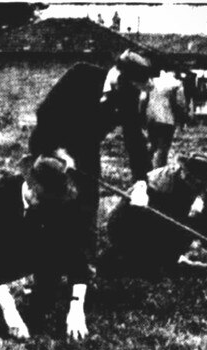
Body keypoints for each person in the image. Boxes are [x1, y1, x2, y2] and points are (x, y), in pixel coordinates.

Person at [29, 49, 158, 272]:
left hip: (86, 150)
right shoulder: (81, 75)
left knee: (88, 203)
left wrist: (141, 182)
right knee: (52, 204)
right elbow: (46, 113)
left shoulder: (128, 94)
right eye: (130, 86)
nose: (132, 93)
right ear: (119, 76)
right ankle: (44, 265)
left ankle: (83, 267)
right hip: (51, 144)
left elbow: (134, 139)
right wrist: (59, 152)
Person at [0, 155, 89, 340]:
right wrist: (9, 310)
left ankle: (41, 301)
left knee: (53, 249)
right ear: (30, 187)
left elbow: (77, 256)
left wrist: (77, 309)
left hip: (19, 251)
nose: (49, 206)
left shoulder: (57, 203)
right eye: (44, 199)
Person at [104, 152, 207, 277]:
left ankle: (167, 261)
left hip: (156, 227)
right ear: (186, 175)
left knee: (191, 220)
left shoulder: (190, 186)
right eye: (198, 184)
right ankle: (142, 261)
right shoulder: (159, 185)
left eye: (203, 184)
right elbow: (146, 218)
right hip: (128, 230)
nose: (200, 188)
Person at [143, 70, 189, 168]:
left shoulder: (152, 81)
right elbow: (180, 103)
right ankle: (159, 170)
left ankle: (146, 167)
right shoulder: (176, 84)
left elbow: (143, 99)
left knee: (153, 145)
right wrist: (182, 120)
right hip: (167, 119)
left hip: (151, 118)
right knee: (163, 148)